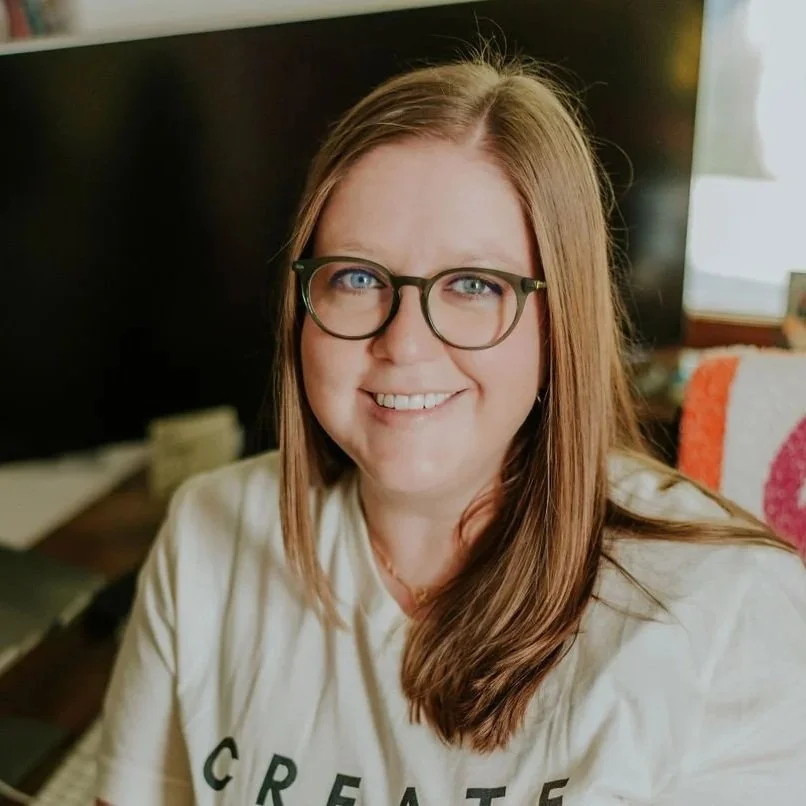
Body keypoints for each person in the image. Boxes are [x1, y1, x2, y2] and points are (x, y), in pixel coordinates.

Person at [95, 55, 806, 806]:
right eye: (358, 277)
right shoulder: (209, 532)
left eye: (474, 286)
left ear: (559, 322)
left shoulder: (727, 613)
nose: (404, 343)